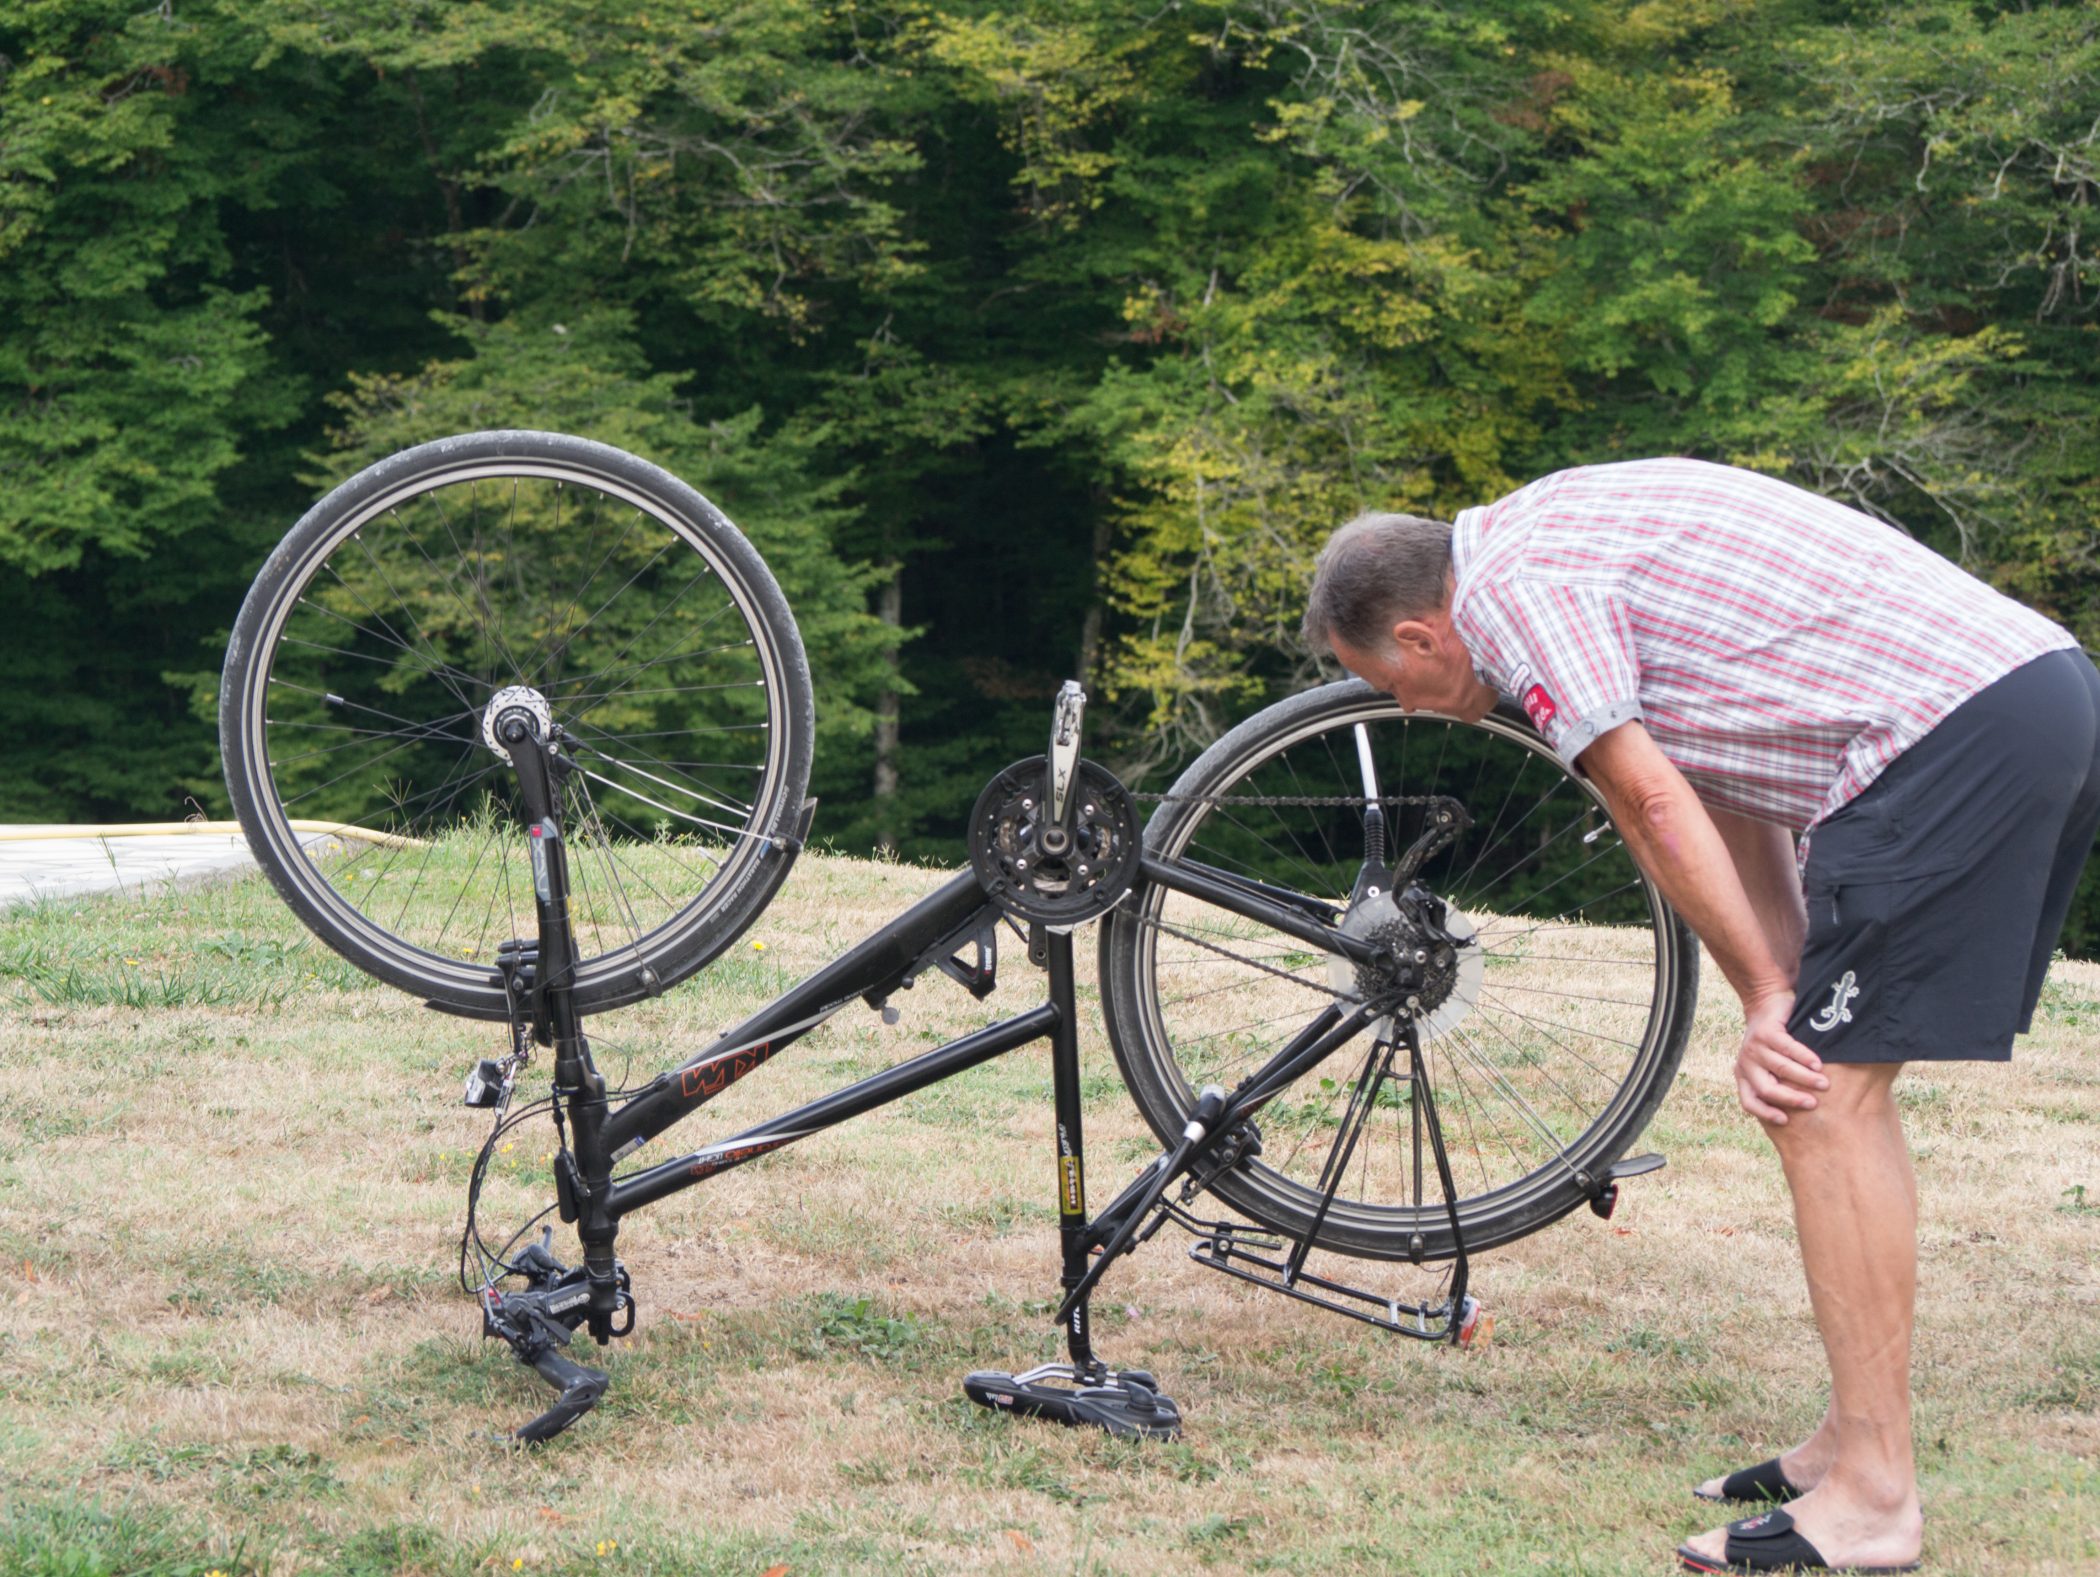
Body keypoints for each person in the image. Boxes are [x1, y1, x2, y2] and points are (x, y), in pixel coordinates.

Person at [1300, 457, 2100, 1577]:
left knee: (1821, 1101)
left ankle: (1875, 1499)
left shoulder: (1518, 597)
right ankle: (1847, 1445)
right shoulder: (1549, 533)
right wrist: (1776, 979)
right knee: (1829, 1090)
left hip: (1954, 733)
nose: (1401, 704)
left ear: (1424, 636)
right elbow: (1725, 776)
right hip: (2020, 694)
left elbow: (1652, 800)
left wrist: (1775, 1001)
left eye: (1384, 680)